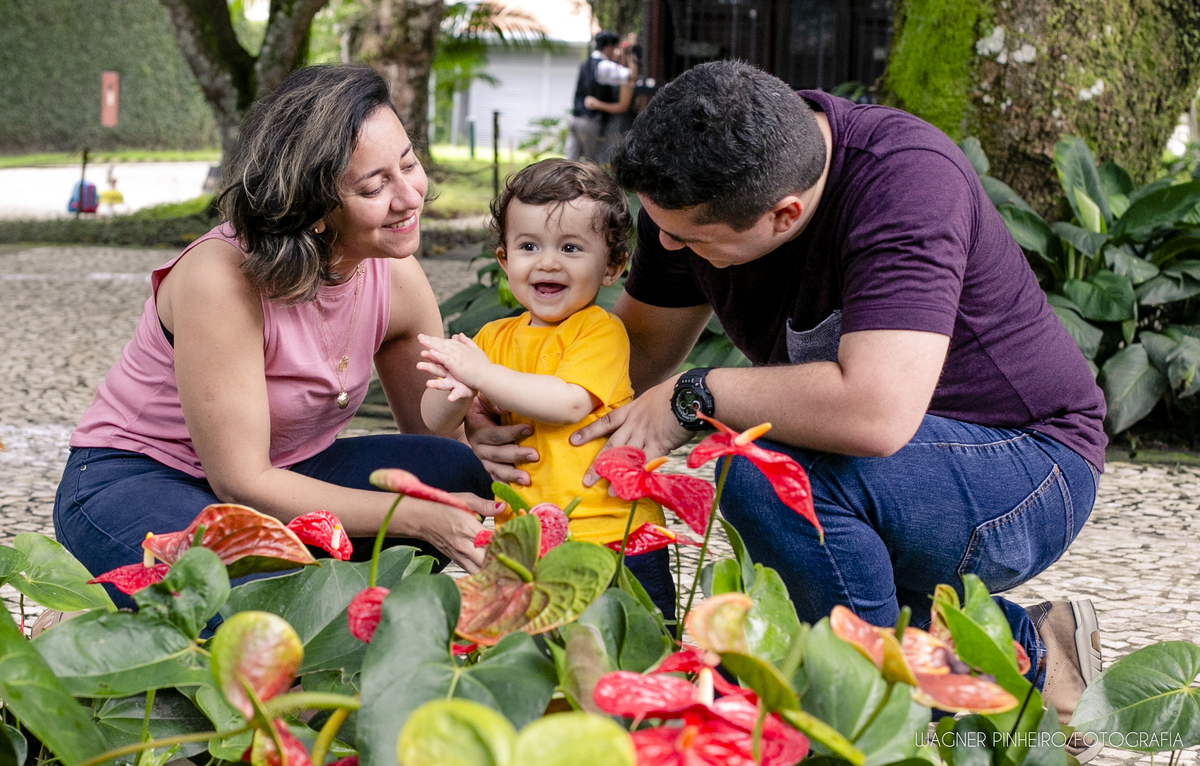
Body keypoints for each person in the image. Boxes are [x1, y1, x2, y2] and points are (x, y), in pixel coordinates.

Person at [470, 61, 1106, 757]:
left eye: (689, 240)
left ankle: (866, 725)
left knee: (762, 472)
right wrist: (507, 410)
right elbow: (638, 355)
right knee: (797, 513)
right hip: (880, 468)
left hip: (1026, 466)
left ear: (786, 215)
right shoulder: (697, 184)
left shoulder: (905, 181)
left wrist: (700, 395)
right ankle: (1033, 648)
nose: (669, 248)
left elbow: (874, 413)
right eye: (661, 229)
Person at [53, 65, 501, 611]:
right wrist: (411, 516)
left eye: (408, 164)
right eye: (374, 185)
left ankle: (326, 605)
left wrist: (484, 418)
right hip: (139, 479)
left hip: (288, 474)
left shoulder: (394, 276)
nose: (410, 196)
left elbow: (431, 437)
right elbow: (242, 484)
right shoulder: (220, 278)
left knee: (453, 476)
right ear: (315, 210)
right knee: (248, 612)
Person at [418, 159, 676, 620]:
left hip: (611, 537)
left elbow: (567, 401)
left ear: (613, 266)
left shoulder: (600, 331)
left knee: (637, 655)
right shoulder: (494, 339)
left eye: (572, 247)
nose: (548, 261)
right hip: (523, 539)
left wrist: (480, 376)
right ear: (505, 259)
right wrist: (452, 387)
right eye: (529, 245)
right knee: (532, 660)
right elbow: (434, 421)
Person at [566, 31, 632, 163]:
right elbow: (629, 75)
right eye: (615, 48)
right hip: (589, 121)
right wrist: (630, 57)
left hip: (575, 118)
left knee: (570, 162)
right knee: (591, 162)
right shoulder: (603, 65)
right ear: (608, 47)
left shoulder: (585, 64)